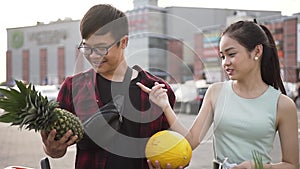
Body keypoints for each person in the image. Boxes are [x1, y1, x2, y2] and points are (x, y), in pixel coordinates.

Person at [137, 20, 299, 169]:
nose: (225, 63)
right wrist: (165, 106)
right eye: (222, 56)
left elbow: (292, 165)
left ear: (257, 51)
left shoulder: (282, 104)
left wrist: (259, 167)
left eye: (231, 54)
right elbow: (191, 141)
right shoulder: (216, 92)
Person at [40, 4, 175, 169]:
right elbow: (56, 150)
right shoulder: (72, 88)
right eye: (87, 48)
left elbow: (171, 146)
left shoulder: (159, 90)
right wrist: (51, 148)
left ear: (123, 42)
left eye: (101, 48)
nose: (94, 55)